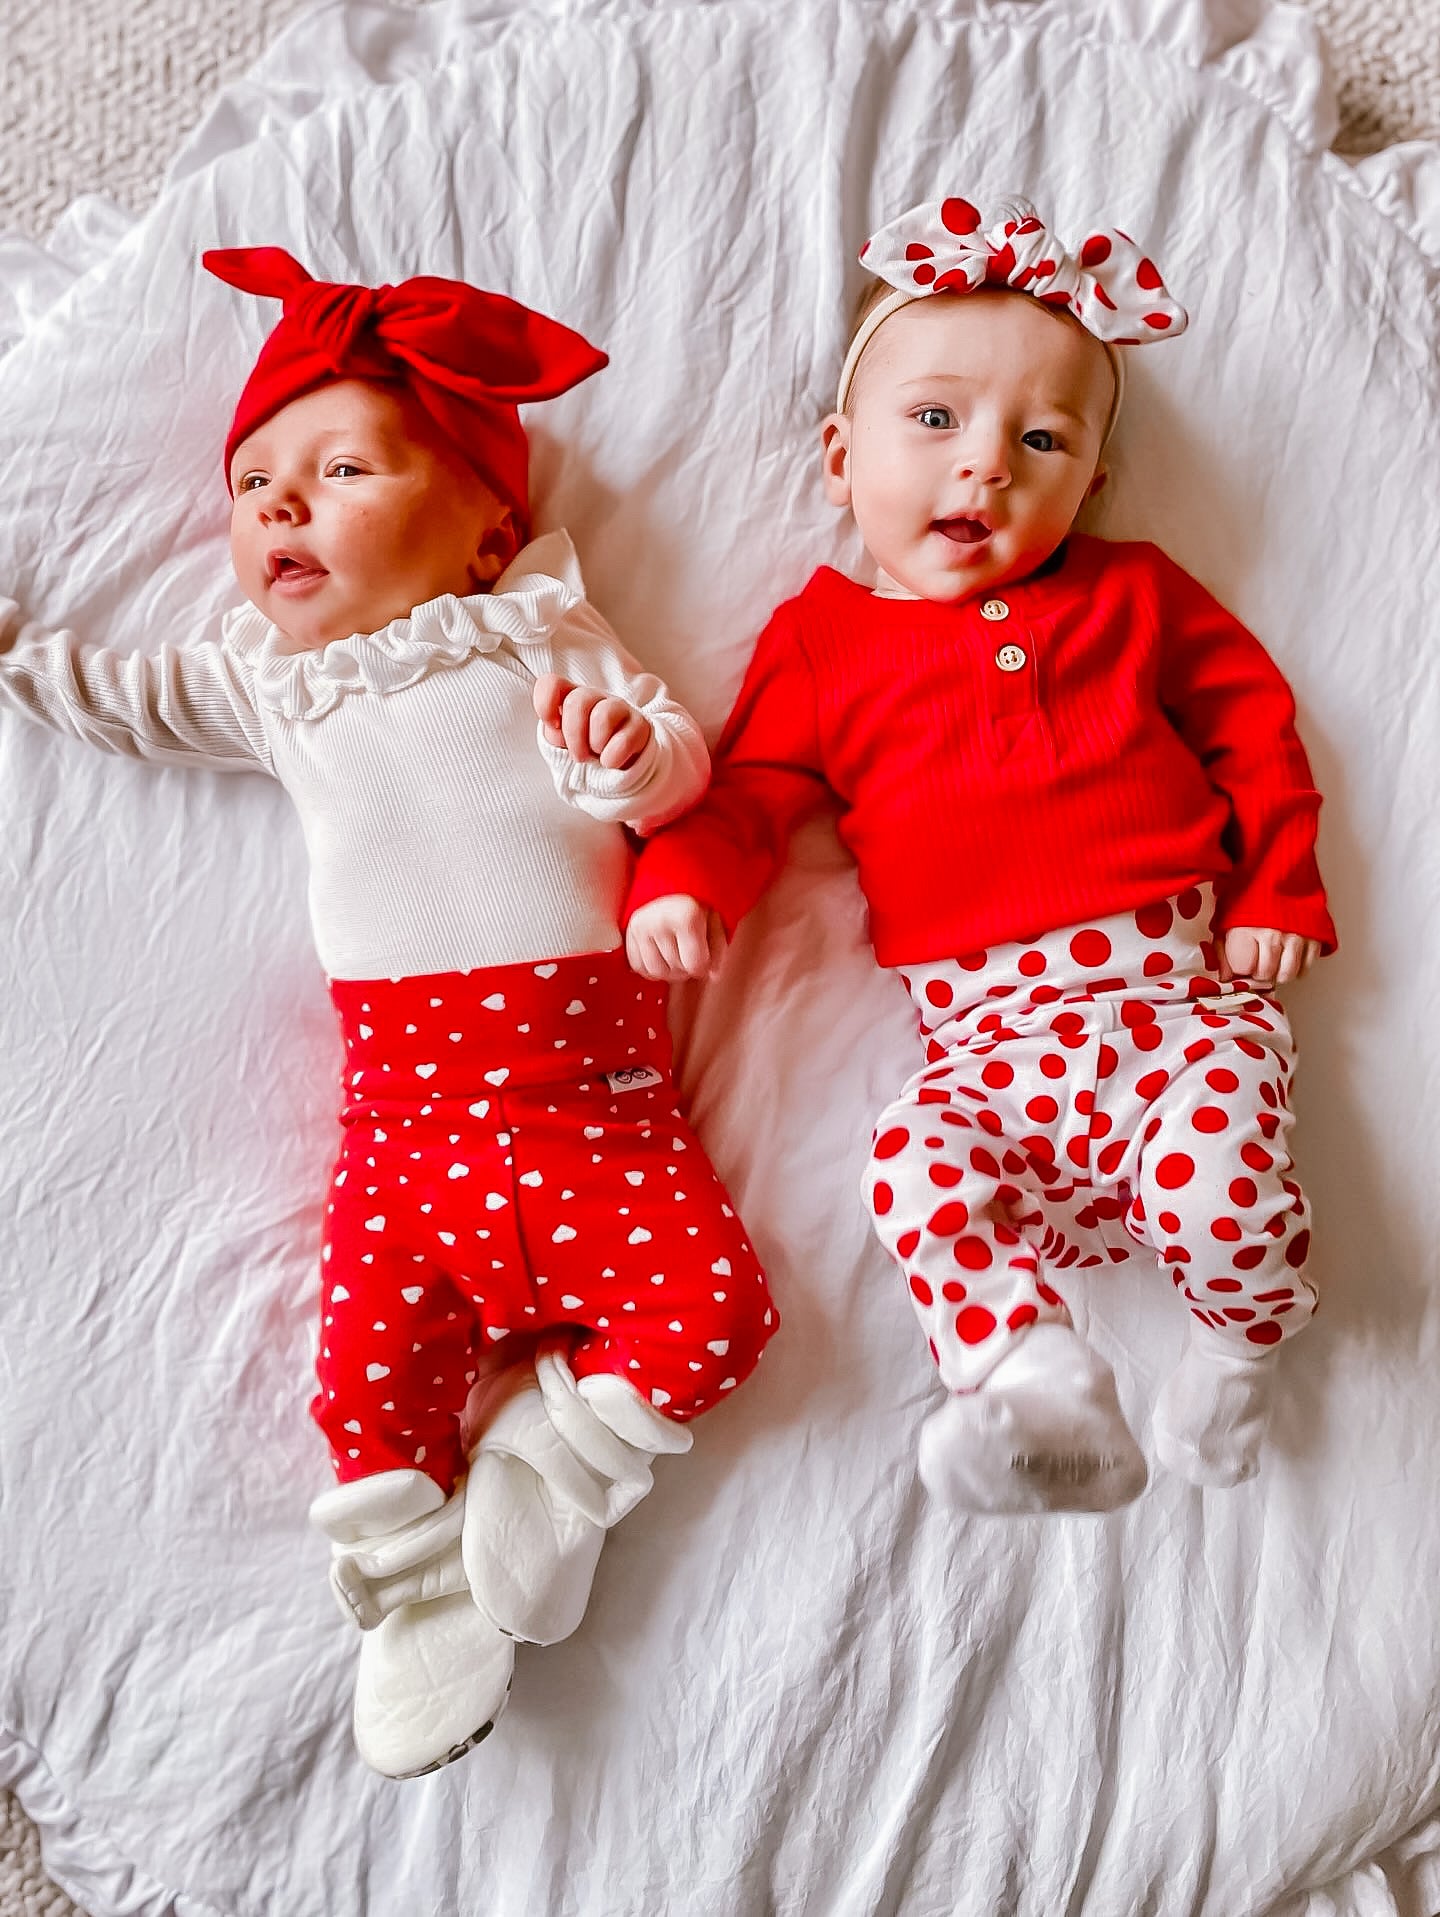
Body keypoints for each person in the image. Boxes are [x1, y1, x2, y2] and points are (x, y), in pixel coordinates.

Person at [0, 247, 775, 1776]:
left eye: (342, 466)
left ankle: (550, 1463)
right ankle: (421, 1597)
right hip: (406, 1127)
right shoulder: (271, 686)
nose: (280, 506)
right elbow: (125, 699)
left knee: (717, 1310)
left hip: (589, 1103)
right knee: (364, 1380)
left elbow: (678, 764)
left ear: (490, 528)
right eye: (253, 484)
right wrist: (20, 656)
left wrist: (631, 762)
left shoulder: (537, 634)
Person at [625, 195, 1332, 1518]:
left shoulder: (1132, 593)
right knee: (912, 1166)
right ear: (841, 457)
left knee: (1224, 1194)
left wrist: (1279, 880)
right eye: (936, 419)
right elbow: (758, 791)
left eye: (1043, 437)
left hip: (1178, 1017)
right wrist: (681, 877)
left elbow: (1253, 719)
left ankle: (1242, 1340)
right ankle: (1033, 1373)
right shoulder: (824, 645)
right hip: (989, 1052)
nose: (987, 464)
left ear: (1092, 484)